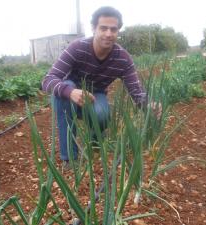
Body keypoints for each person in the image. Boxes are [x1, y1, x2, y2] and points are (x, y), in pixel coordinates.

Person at [42, 6, 160, 164]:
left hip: (95, 95)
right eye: (103, 28)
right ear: (93, 28)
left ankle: (94, 141)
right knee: (63, 93)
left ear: (118, 31)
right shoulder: (77, 48)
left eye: (113, 29)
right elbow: (48, 79)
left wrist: (148, 104)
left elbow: (136, 92)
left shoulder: (123, 59)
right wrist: (70, 92)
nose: (108, 34)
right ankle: (70, 159)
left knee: (103, 116)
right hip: (70, 94)